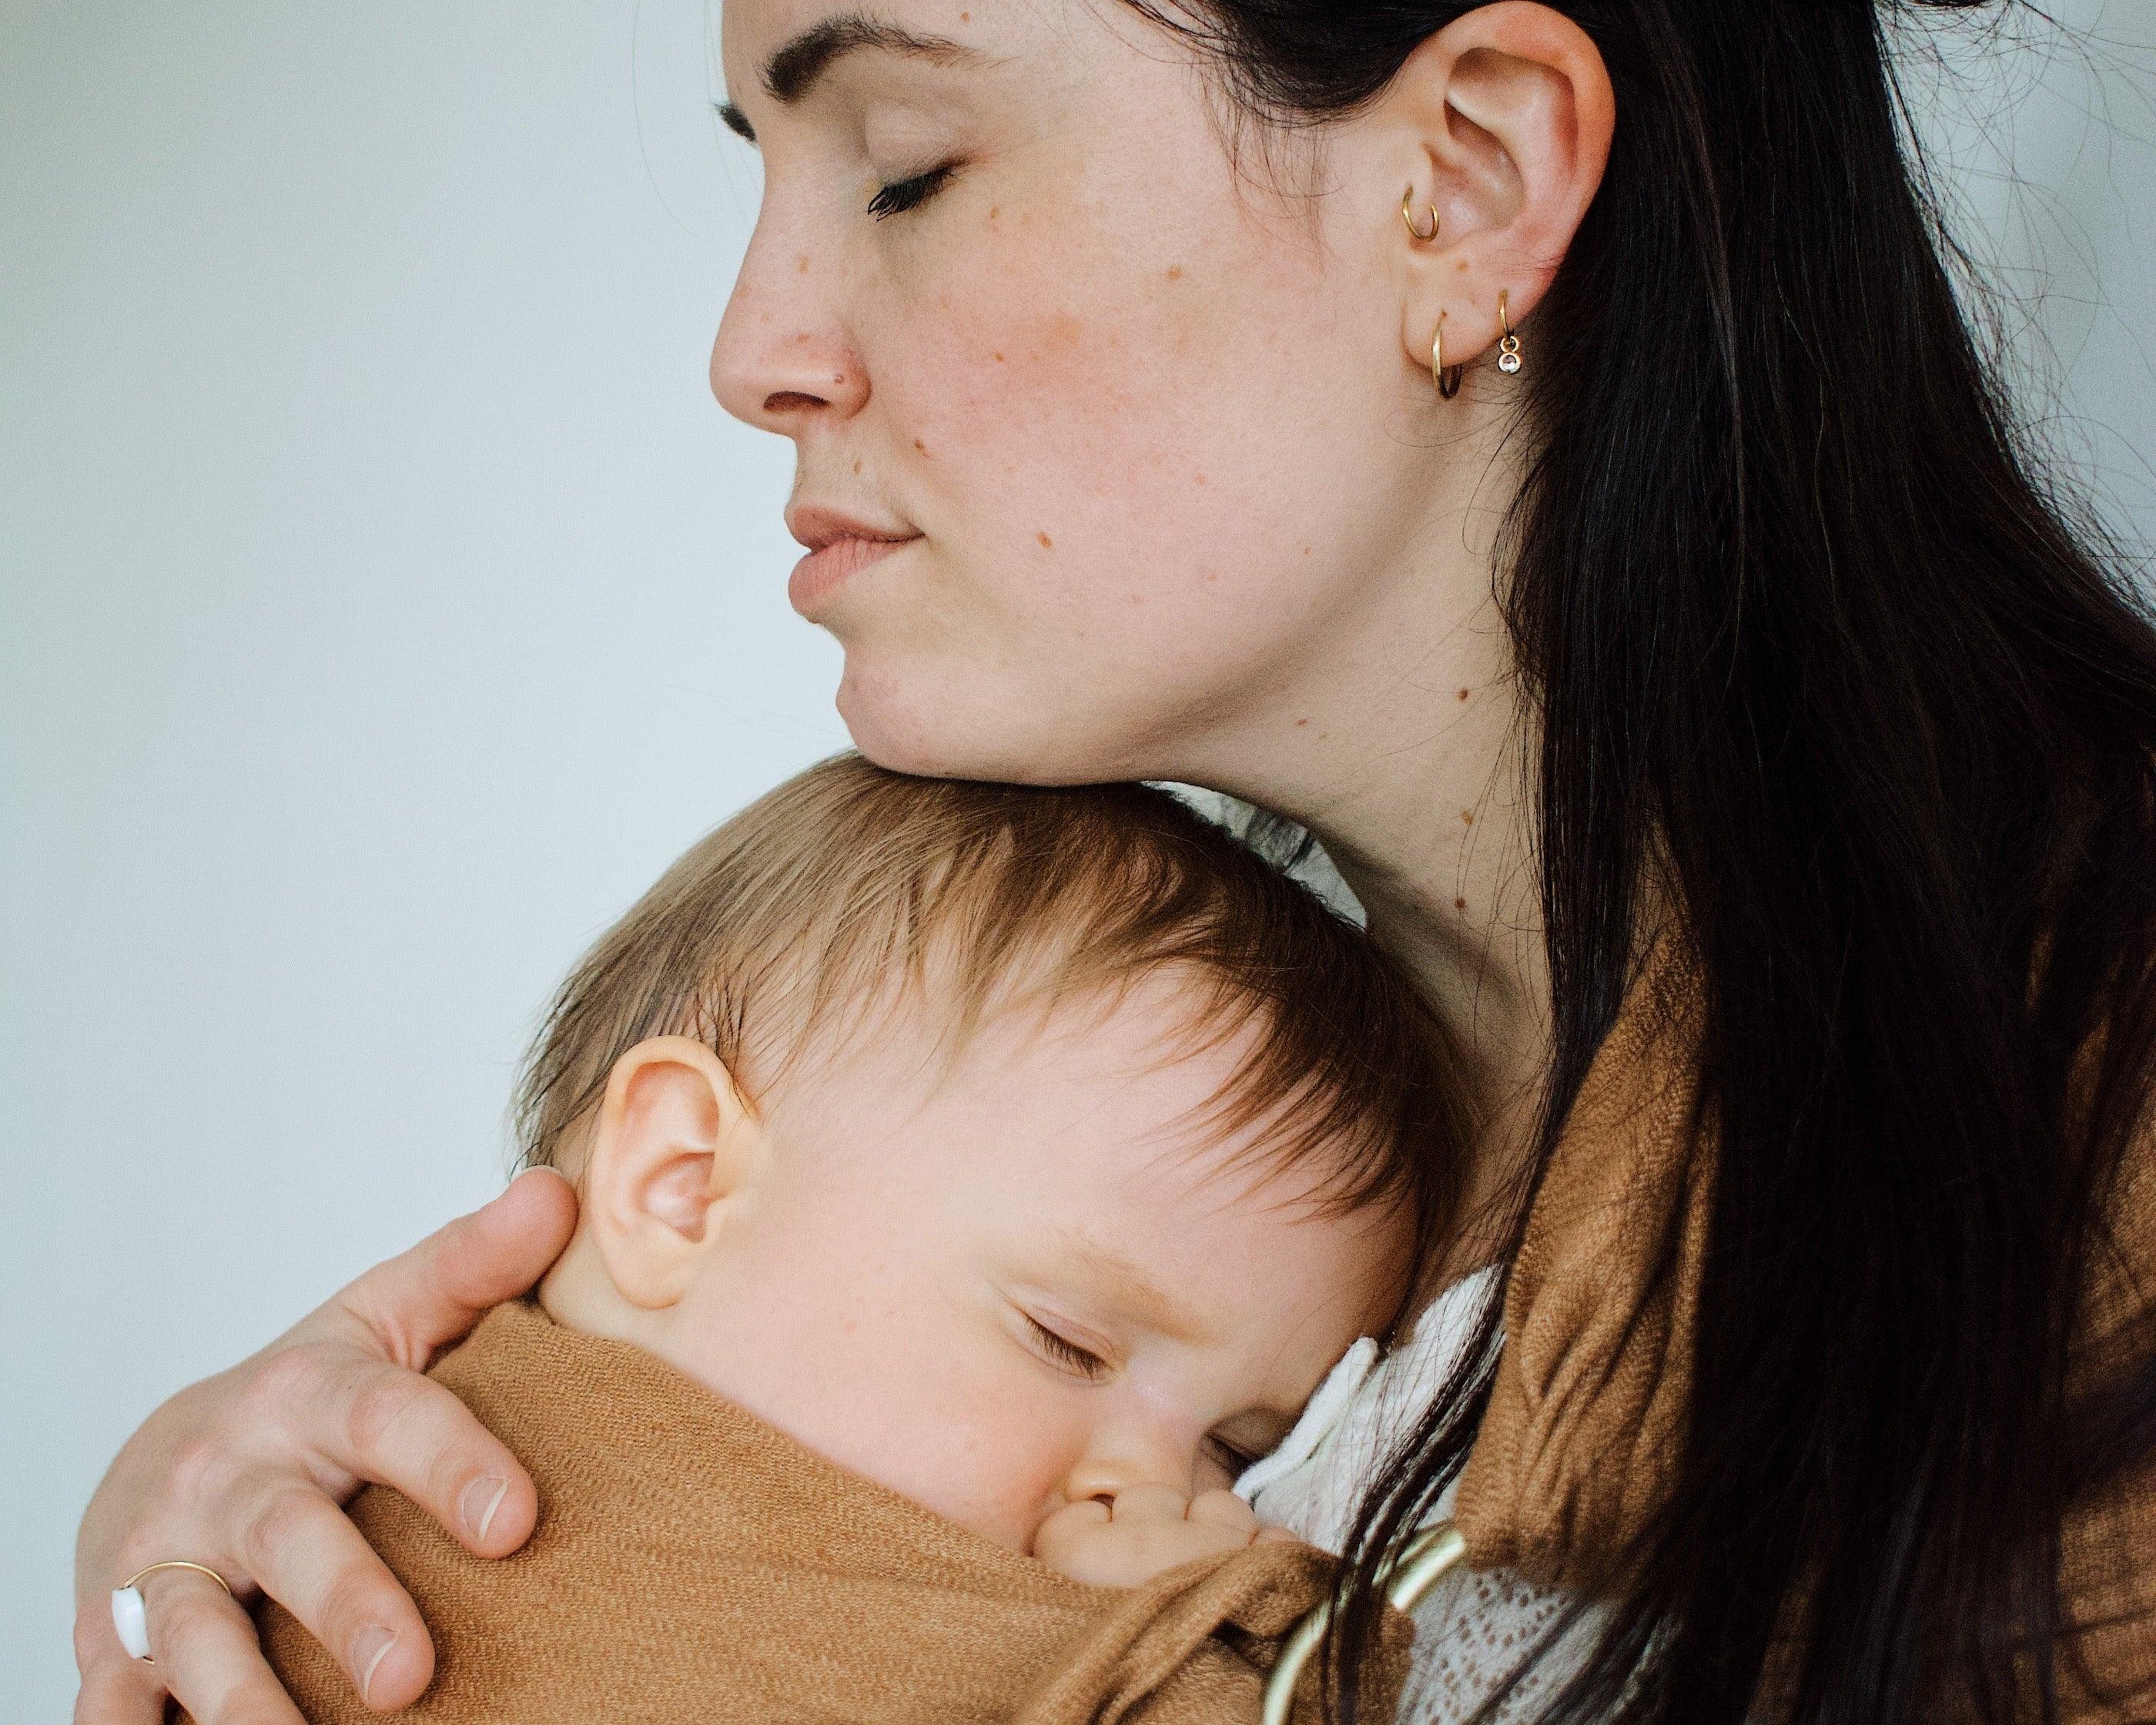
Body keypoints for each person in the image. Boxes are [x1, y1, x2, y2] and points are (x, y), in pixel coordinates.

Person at [73, 2, 2156, 1723]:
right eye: (760, 178)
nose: (750, 348)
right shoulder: (1047, 1082)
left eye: (902, 166)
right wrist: (444, 1555)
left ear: (1466, 188)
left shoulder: (2071, 1171)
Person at [225, 757, 1464, 1723]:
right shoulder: (597, 1561)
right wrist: (1164, 1662)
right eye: (1067, 1344)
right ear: (681, 1184)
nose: (1166, 1499)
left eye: (1238, 1449)